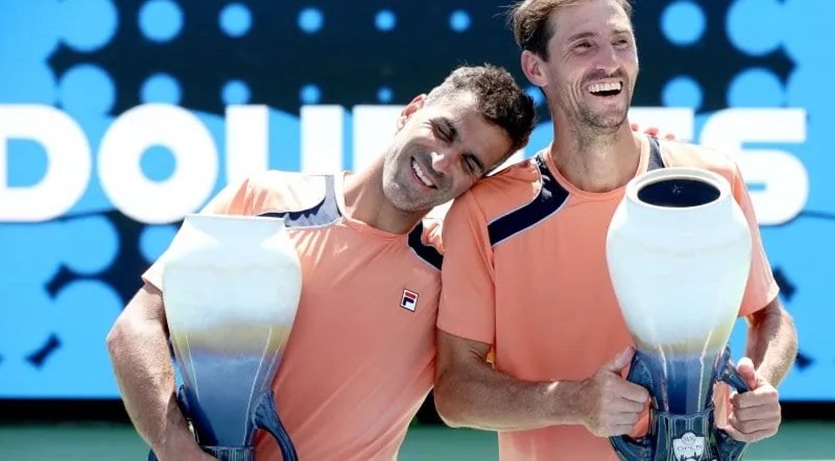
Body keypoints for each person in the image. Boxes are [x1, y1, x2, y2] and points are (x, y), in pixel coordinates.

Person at [432, 0, 799, 461]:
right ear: (536, 68)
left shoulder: (710, 180)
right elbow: (455, 391)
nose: (609, 62)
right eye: (583, 46)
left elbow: (770, 316)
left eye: (621, 42)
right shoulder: (484, 213)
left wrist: (762, 385)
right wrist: (573, 401)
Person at [105, 64, 538, 461]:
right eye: (443, 131)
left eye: (469, 163)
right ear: (411, 111)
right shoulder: (263, 201)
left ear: (476, 184)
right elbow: (135, 328)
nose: (441, 162)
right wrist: (177, 448)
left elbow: (481, 384)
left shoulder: (454, 272)